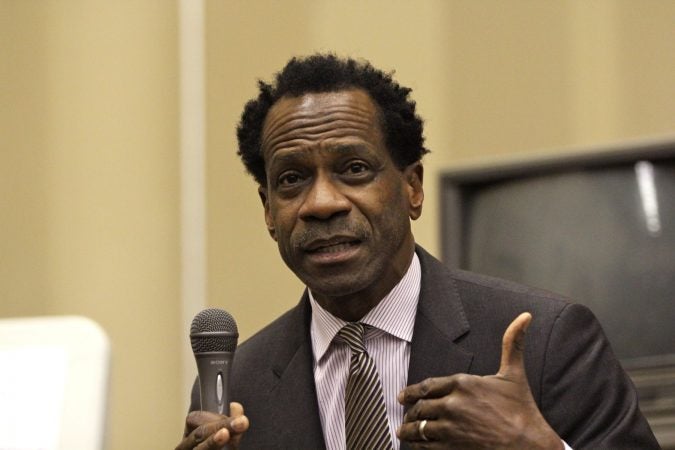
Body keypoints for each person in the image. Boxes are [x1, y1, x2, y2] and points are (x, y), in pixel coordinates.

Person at [176, 54, 659, 450]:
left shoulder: (550, 342)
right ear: (268, 211)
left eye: (355, 168)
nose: (321, 203)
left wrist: (535, 448)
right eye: (291, 180)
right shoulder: (239, 388)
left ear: (412, 188)